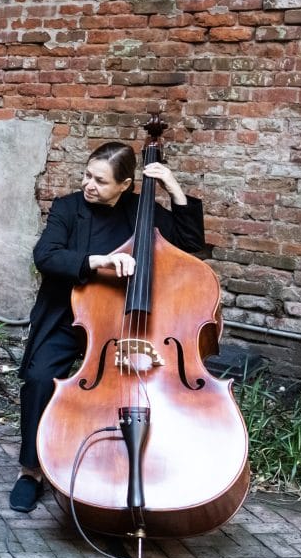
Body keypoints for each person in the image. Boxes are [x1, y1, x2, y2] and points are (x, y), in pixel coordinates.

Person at [11, 141, 206, 513]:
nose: (89, 184)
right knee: (38, 380)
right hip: (69, 313)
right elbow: (46, 256)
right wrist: (97, 261)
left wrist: (173, 187)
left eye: (100, 181)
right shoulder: (68, 208)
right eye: (87, 175)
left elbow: (189, 244)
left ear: (125, 185)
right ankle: (30, 472)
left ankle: (124, 466)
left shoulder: (141, 210)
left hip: (123, 323)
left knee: (132, 388)